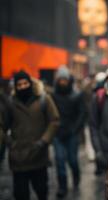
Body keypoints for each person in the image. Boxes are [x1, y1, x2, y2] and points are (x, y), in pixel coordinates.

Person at [8, 71, 60, 200]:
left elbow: (54, 120)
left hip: (38, 156)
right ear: (15, 87)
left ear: (30, 83)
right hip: (18, 158)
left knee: (42, 191)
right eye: (19, 84)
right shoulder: (10, 102)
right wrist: (9, 142)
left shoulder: (43, 99)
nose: (23, 87)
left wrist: (44, 140)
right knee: (20, 194)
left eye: (25, 83)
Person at [51, 67, 87, 198]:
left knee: (72, 160)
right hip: (58, 133)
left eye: (64, 79)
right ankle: (62, 187)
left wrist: (75, 129)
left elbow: (82, 113)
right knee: (60, 161)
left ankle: (76, 177)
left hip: (72, 133)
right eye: (60, 80)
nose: (62, 82)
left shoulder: (76, 95)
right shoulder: (53, 95)